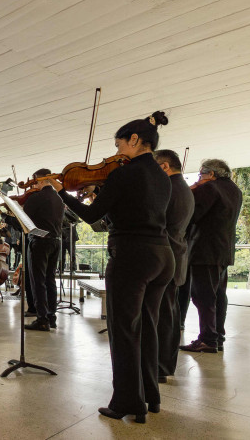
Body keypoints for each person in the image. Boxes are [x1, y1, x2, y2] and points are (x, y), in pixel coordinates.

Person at [48, 111, 173, 423]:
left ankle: (128, 403)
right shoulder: (161, 175)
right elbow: (134, 206)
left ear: (134, 140)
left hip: (133, 256)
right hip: (162, 255)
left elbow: (92, 218)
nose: (116, 152)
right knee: (146, 327)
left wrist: (60, 192)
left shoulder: (124, 173)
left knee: (124, 330)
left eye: (119, 144)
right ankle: (150, 396)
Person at [180, 159, 243, 354]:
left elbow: (191, 216)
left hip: (204, 250)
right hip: (223, 250)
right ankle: (218, 337)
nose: (199, 179)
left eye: (201, 175)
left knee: (203, 296)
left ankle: (207, 339)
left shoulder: (209, 188)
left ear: (211, 174)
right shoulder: (234, 190)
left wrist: (192, 190)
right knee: (218, 295)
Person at [153, 150, 195, 381]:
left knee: (164, 317)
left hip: (168, 255)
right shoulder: (182, 187)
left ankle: (161, 365)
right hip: (175, 254)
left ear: (165, 167)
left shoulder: (171, 188)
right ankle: (163, 365)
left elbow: (158, 222)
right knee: (168, 314)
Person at [20, 169, 65, 332]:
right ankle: (51, 317)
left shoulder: (36, 198)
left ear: (39, 180)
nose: (34, 185)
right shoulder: (59, 198)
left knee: (37, 281)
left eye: (35, 182)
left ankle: (42, 319)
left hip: (40, 241)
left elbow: (25, 221)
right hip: (56, 241)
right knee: (49, 279)